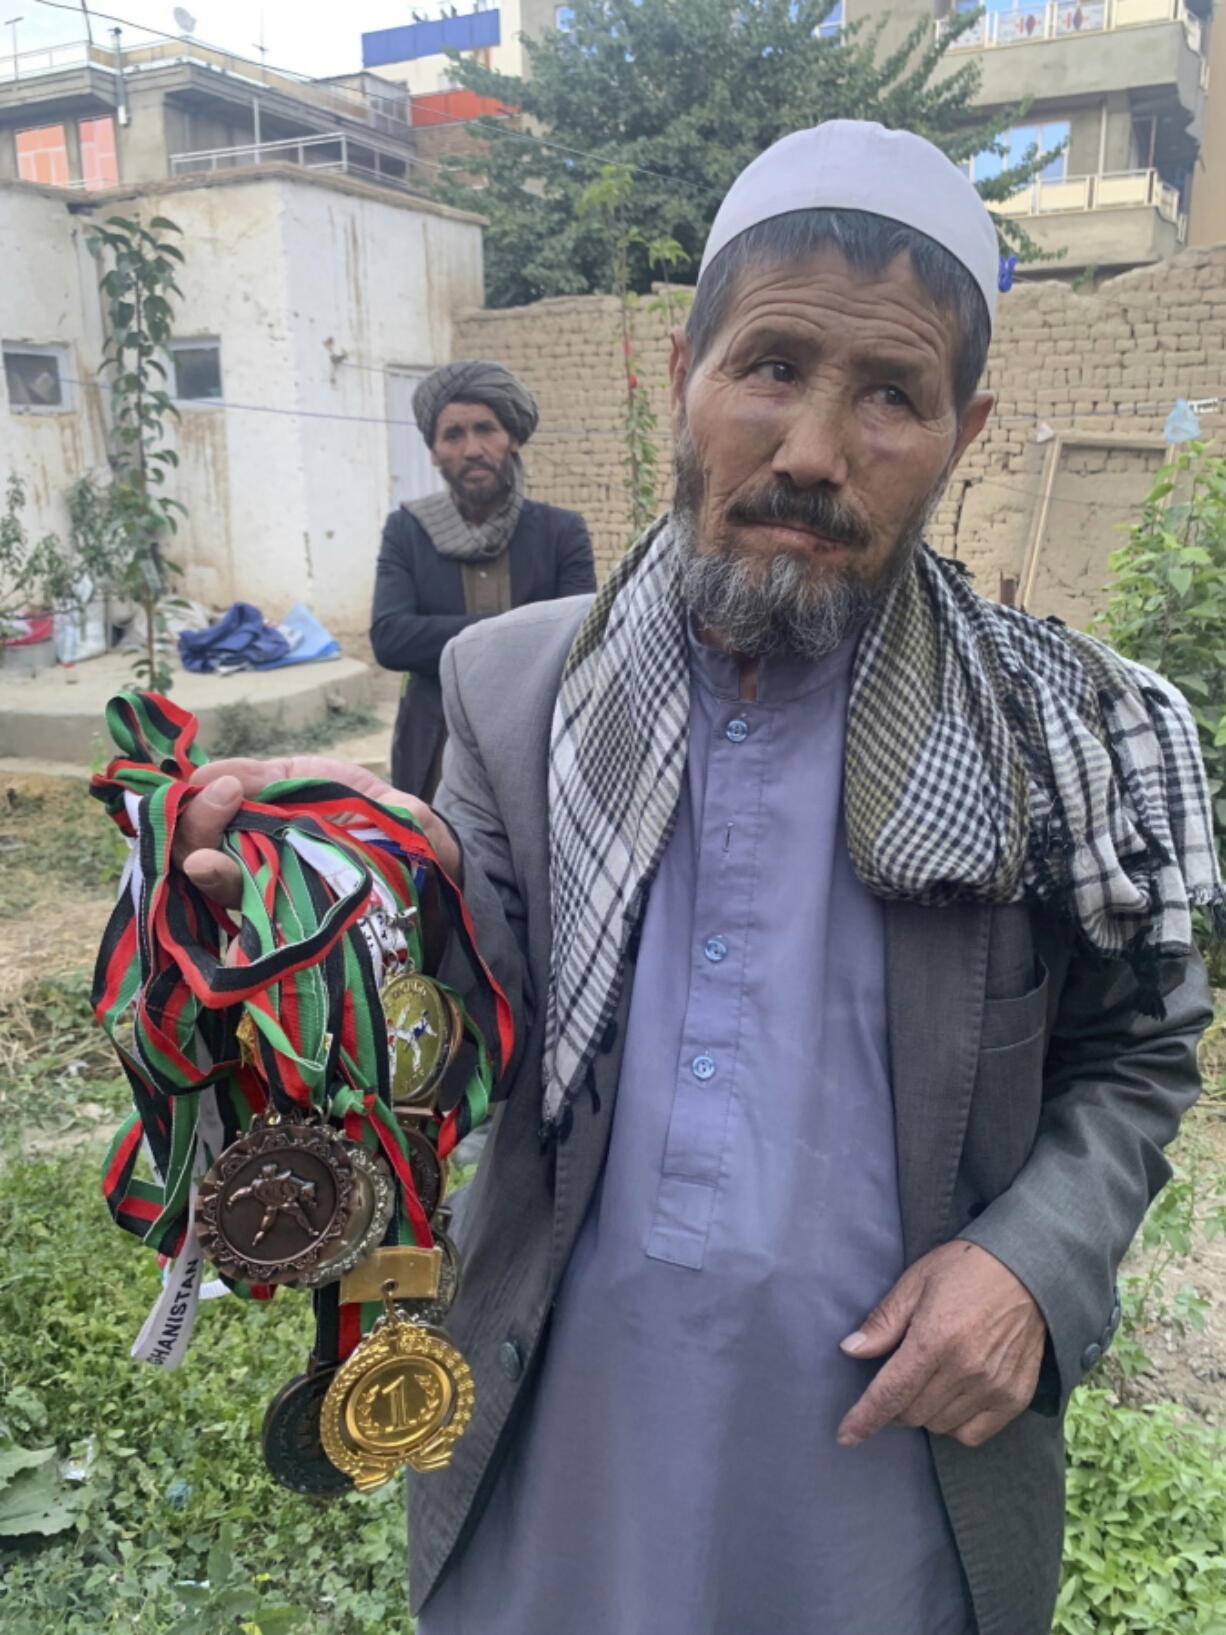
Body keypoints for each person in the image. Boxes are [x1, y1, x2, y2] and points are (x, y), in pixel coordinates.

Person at [180, 122, 1218, 1634]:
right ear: (682, 372)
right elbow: (448, 1009)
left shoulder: (1068, 732)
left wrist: (1029, 1264)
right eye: (772, 366)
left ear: (966, 427)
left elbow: (1137, 1051)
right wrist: (310, 896)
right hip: (563, 1429)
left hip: (880, 1475)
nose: (810, 450)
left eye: (889, 396)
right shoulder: (508, 690)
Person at [370, 360, 597, 796]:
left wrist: (455, 637)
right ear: (434, 451)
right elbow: (390, 638)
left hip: (537, 741)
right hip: (435, 746)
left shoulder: (560, 532)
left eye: (485, 429)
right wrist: (520, 628)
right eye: (453, 435)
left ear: (511, 437)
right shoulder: (408, 530)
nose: (472, 449)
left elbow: (577, 640)